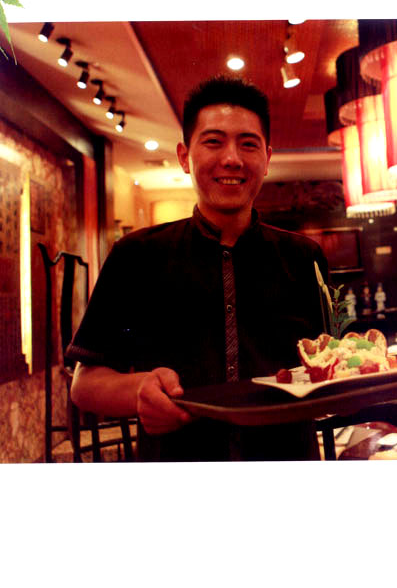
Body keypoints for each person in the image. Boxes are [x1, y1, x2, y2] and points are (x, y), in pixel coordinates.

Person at [68, 78, 329, 461]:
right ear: (184, 156)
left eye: (248, 144)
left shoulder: (304, 257)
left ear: (267, 158)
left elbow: (334, 364)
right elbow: (85, 384)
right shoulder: (136, 256)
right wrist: (140, 389)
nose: (232, 159)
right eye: (213, 141)